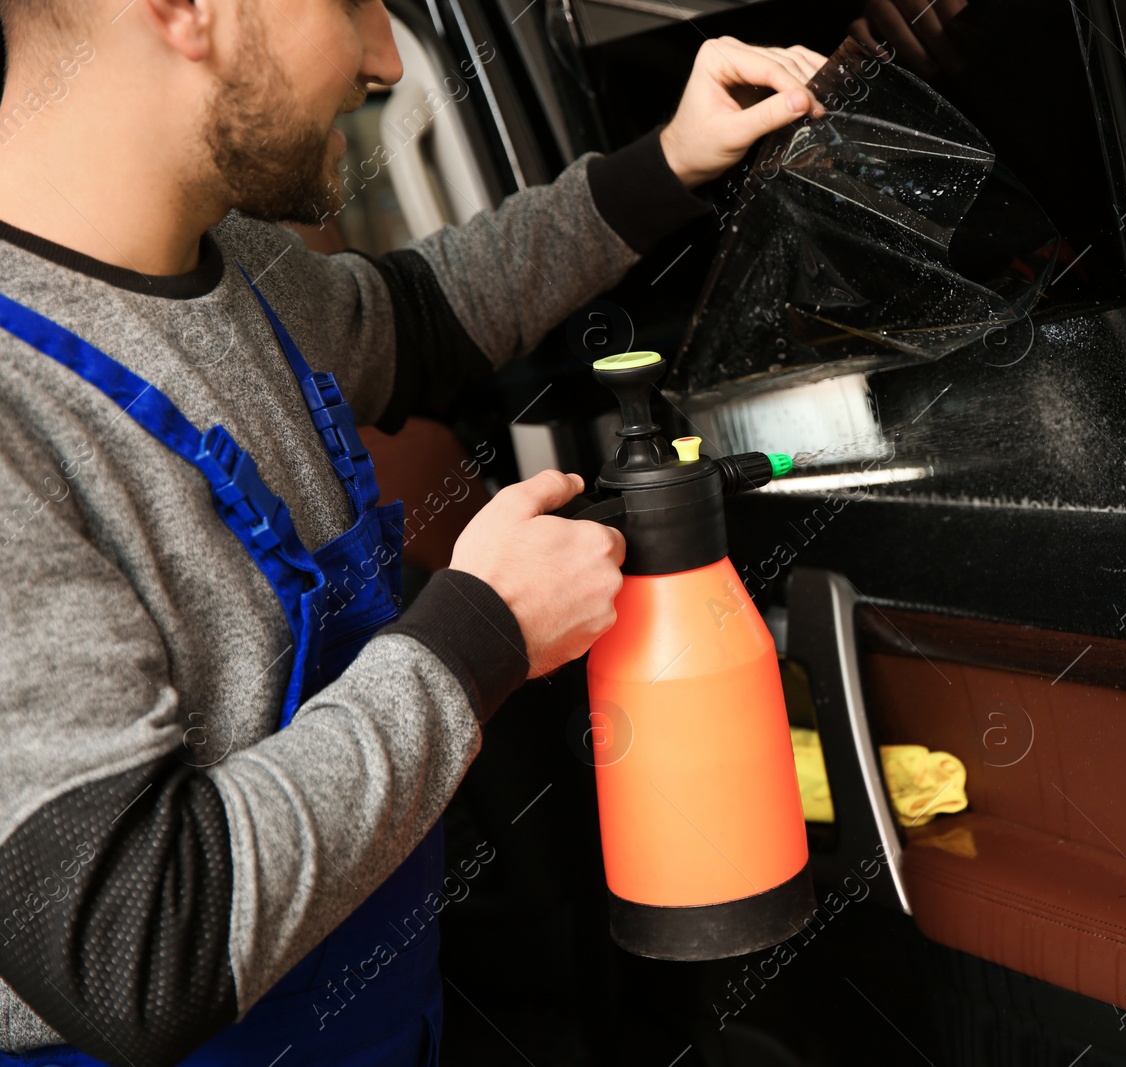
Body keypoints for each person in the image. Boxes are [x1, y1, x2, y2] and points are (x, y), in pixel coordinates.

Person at [0, 0, 826, 1063]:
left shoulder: (226, 257)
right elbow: (139, 949)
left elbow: (416, 321)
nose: (386, 60)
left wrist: (666, 163)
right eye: (352, 4)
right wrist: (481, 631)